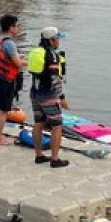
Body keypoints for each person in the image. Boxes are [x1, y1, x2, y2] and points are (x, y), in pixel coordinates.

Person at [28, 27, 70, 167]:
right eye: (57, 38)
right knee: (57, 126)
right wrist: (62, 97)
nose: (59, 41)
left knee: (39, 123)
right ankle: (55, 159)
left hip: (35, 92)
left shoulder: (37, 51)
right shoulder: (51, 55)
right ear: (51, 40)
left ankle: (39, 155)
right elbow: (54, 78)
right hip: (48, 95)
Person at [0, 14, 25, 146]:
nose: (19, 28)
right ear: (10, 28)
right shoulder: (9, 44)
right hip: (5, 80)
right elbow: (17, 64)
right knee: (3, 110)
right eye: (17, 26)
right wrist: (28, 62)